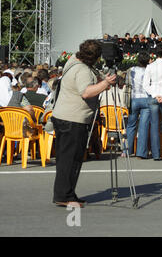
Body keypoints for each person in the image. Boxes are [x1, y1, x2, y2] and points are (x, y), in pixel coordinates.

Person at [52, 40, 116, 208]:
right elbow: (86, 92)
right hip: (73, 119)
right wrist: (105, 83)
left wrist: (101, 81)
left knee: (67, 159)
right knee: (70, 160)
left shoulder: (73, 61)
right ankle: (64, 196)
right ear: (95, 57)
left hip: (64, 117)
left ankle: (68, 193)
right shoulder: (82, 70)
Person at [125, 52, 151, 159]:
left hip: (134, 98)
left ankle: (127, 150)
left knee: (131, 126)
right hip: (145, 98)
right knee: (143, 127)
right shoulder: (149, 71)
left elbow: (126, 83)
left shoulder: (131, 70)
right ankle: (141, 153)